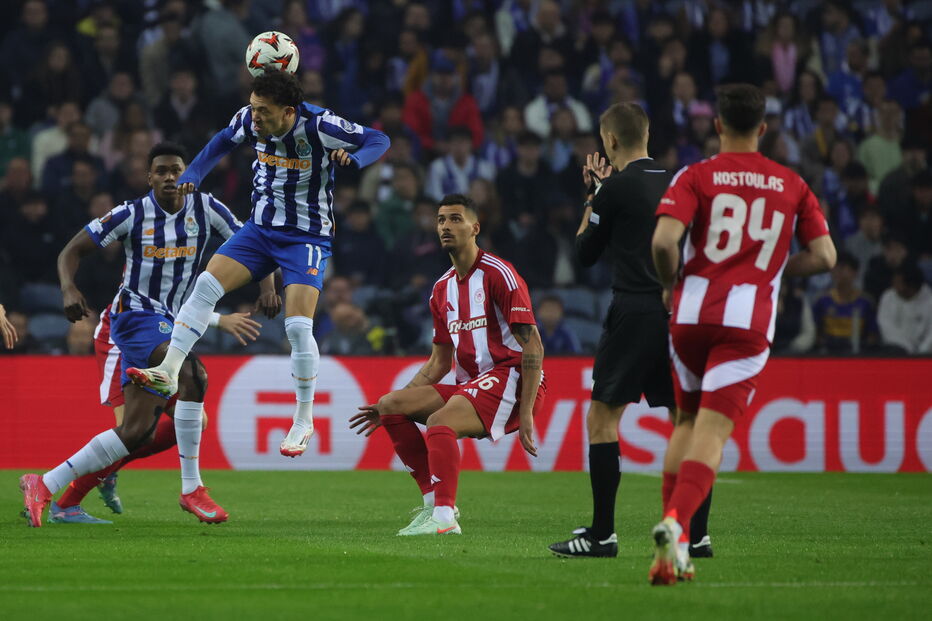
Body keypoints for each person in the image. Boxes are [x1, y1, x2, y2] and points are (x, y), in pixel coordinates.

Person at [126, 71, 389, 458]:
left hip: (305, 238)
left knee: (298, 327)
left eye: (263, 111)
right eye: (252, 108)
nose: (255, 118)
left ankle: (303, 418)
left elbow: (378, 139)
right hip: (260, 230)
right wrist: (195, 172)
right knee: (205, 286)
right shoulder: (250, 119)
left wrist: (355, 157)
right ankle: (168, 372)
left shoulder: (321, 124)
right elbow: (219, 142)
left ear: (288, 112)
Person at [19, 142, 274, 528]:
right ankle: (191, 489)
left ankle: (46, 483)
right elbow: (71, 250)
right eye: (162, 171)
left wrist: (267, 286)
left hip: (172, 322)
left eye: (177, 170)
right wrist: (68, 288)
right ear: (149, 178)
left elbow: (253, 244)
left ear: (189, 174)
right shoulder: (131, 214)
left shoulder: (207, 209)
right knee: (193, 377)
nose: (171, 177)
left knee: (137, 431)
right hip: (133, 318)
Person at [650, 83, 836, 584]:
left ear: (717, 125)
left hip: (688, 316)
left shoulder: (696, 175)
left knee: (684, 422)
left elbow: (665, 241)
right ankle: (675, 522)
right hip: (745, 323)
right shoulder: (791, 183)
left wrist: (672, 285)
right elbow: (825, 257)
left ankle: (675, 550)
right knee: (712, 432)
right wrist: (771, 267)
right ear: (763, 127)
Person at [549, 102, 710, 559]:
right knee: (685, 420)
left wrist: (592, 197)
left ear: (611, 141)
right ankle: (696, 534)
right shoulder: (684, 184)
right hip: (680, 311)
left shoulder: (613, 189)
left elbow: (584, 254)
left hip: (635, 311)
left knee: (602, 418)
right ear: (648, 133)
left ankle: (602, 535)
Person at [349, 194, 546, 536]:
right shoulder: (441, 289)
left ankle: (444, 519)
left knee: (440, 422)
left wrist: (526, 411)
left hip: (512, 378)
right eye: (441, 220)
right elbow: (439, 361)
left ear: (475, 228)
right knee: (392, 406)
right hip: (472, 384)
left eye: (455, 219)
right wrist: (392, 400)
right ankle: (433, 505)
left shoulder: (500, 274)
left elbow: (534, 347)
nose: (445, 226)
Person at [45, 299, 260, 524]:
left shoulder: (185, 267)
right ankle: (67, 505)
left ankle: (105, 472)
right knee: (127, 434)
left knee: (194, 421)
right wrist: (217, 320)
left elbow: (175, 303)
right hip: (122, 336)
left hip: (154, 337)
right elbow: (149, 301)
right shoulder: (150, 266)